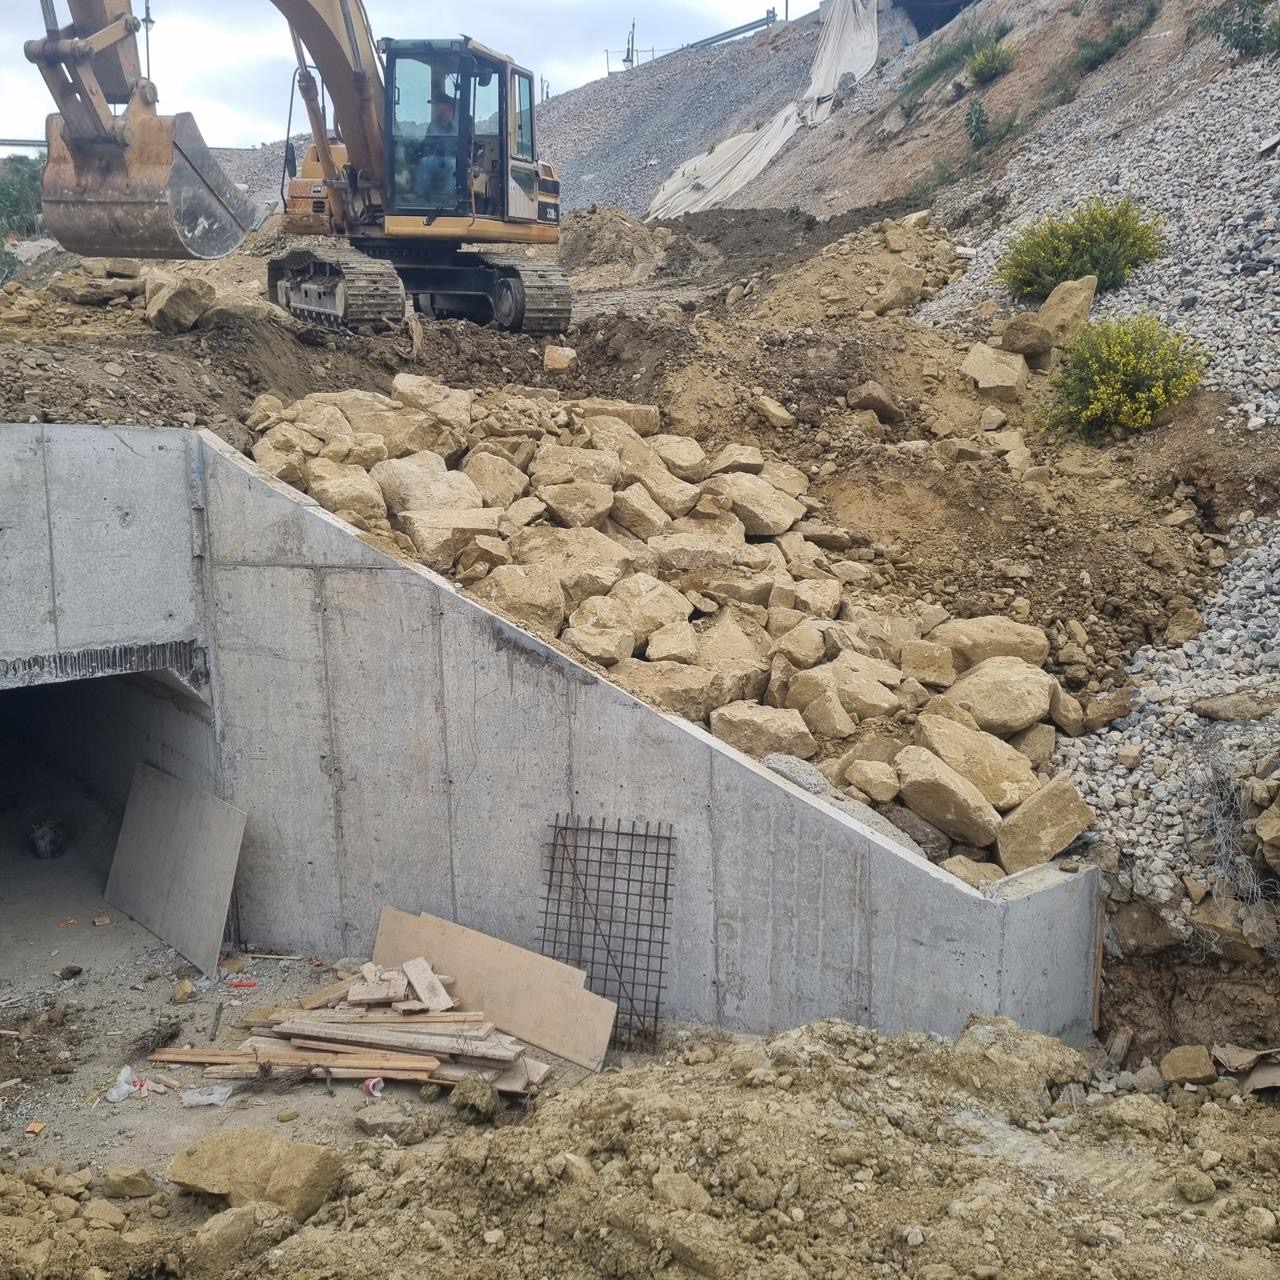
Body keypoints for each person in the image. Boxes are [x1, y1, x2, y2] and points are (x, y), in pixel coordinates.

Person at [416, 90, 458, 202]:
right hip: (435, 159)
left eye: (438, 105)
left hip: (450, 159)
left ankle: (446, 196)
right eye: (436, 105)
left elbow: (463, 145)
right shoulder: (433, 126)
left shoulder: (456, 128)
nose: (435, 108)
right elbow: (427, 144)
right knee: (424, 162)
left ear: (448, 107)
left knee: (455, 164)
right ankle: (419, 195)